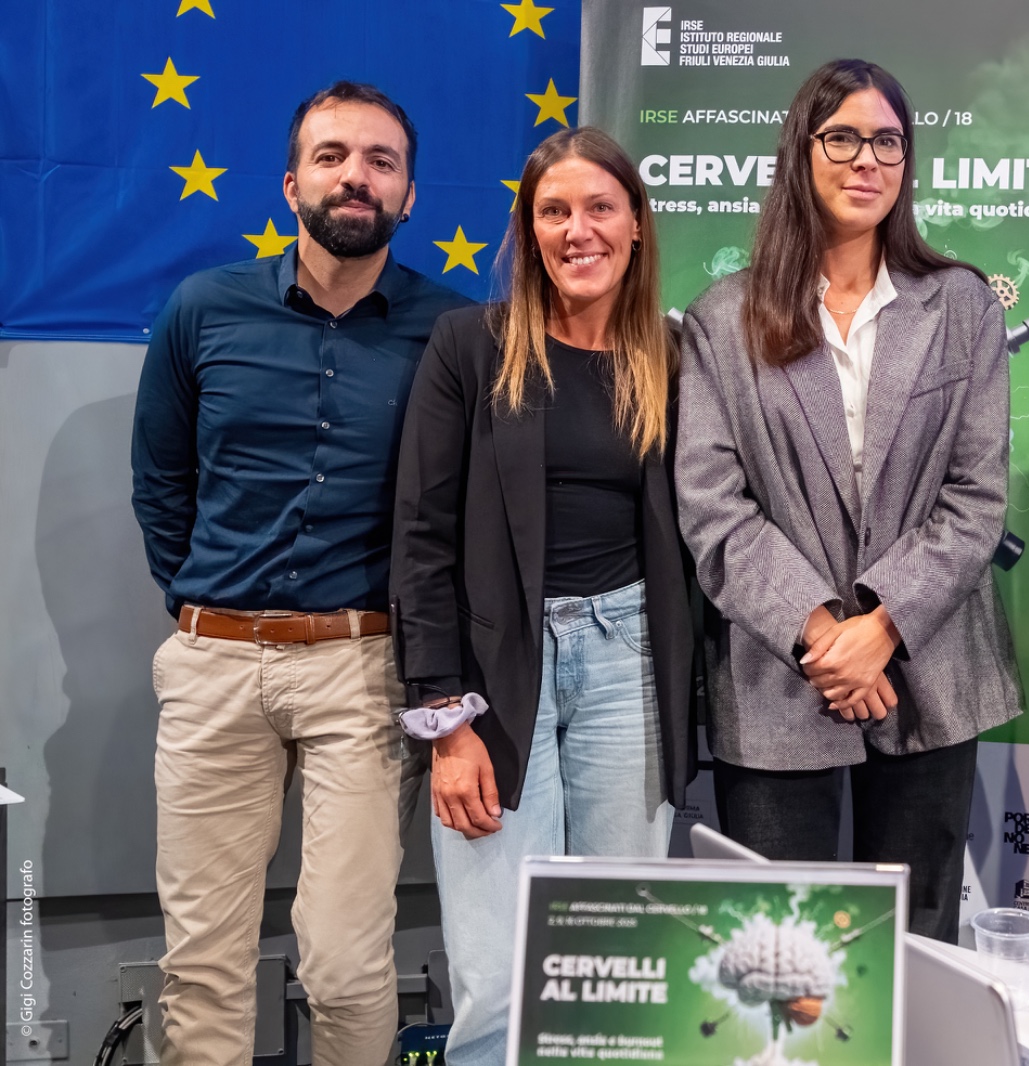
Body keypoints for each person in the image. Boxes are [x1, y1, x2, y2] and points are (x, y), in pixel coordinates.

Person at [130, 81, 471, 1065]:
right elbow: (161, 483)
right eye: (331, 157)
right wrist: (205, 607)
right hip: (214, 666)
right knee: (202, 965)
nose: (355, 176)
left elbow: (457, 515)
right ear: (291, 185)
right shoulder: (203, 309)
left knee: (347, 966)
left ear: (409, 196)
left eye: (380, 161)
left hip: (362, 672)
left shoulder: (455, 332)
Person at [675, 58, 1022, 942]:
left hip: (928, 668)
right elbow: (714, 506)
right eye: (842, 138)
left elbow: (976, 495)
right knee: (776, 951)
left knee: (915, 946)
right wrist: (826, 636)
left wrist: (883, 627)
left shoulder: (961, 307)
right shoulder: (724, 318)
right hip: (778, 673)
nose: (867, 159)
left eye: (888, 142)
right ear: (802, 150)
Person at [388, 125, 694, 1066]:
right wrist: (444, 719)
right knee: (497, 975)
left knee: (616, 958)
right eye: (552, 211)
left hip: (630, 663)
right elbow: (420, 536)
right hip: (492, 678)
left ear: (636, 224)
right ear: (527, 231)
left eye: (599, 207)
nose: (577, 230)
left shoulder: (674, 355)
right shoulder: (469, 346)